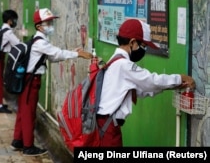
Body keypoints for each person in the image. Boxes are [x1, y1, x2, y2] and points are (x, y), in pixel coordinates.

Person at [96, 19, 196, 147]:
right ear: (132, 42)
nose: (144, 50)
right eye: (143, 46)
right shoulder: (123, 65)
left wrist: (170, 87)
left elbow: (140, 91)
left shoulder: (115, 61)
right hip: (107, 129)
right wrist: (179, 78)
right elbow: (152, 81)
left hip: (105, 126)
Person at [10, 8, 93, 156]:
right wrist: (77, 54)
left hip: (29, 81)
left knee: (24, 112)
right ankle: (28, 146)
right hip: (31, 82)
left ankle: (18, 140)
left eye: (51, 22)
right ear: (39, 26)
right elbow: (56, 53)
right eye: (48, 23)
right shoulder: (40, 42)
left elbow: (53, 57)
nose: (51, 25)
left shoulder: (40, 41)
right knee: (28, 114)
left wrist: (73, 52)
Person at [0, 9, 20, 113]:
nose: (15, 22)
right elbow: (17, 43)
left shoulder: (1, 28)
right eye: (14, 20)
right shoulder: (8, 32)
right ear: (10, 21)